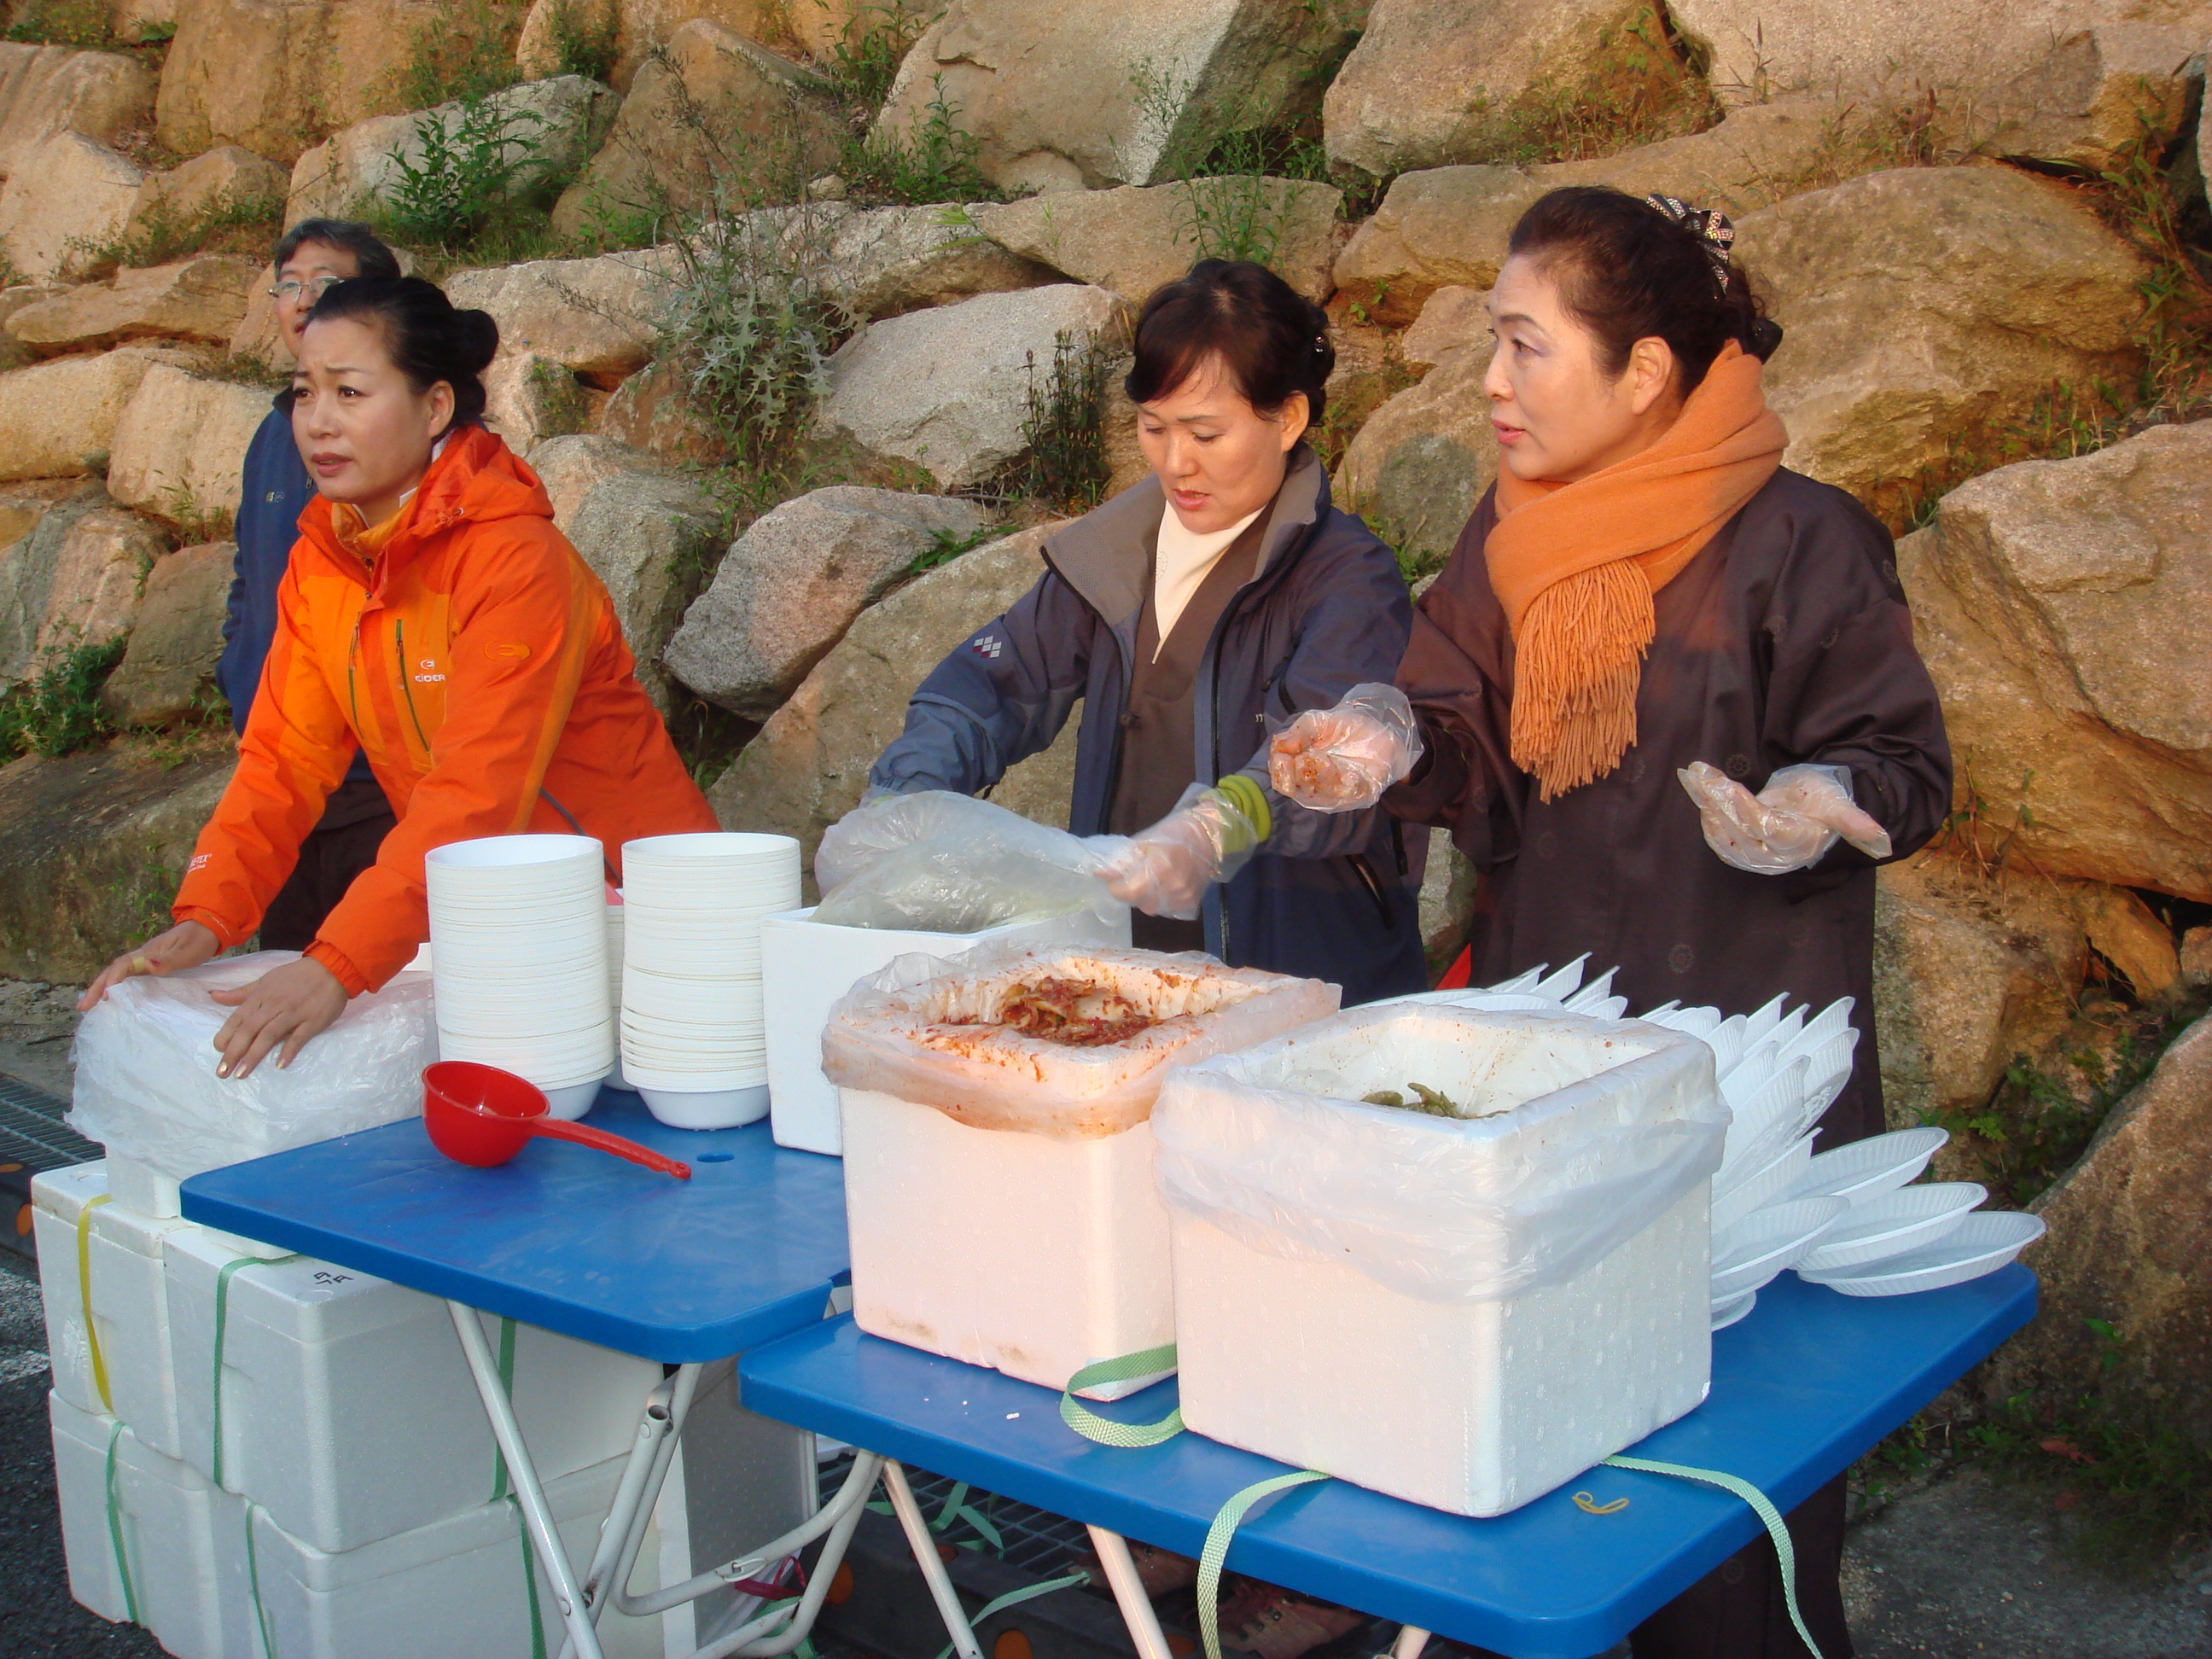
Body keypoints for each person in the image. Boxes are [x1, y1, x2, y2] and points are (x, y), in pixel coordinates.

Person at [1273, 187, 1953, 1659]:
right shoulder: (1510, 537)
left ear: (1643, 373)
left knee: (1723, 1536)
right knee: (1523, 1492)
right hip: (1546, 1082)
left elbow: (1905, 760)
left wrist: (1818, 796)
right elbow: (1451, 714)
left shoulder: (1803, 542)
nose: (1493, 384)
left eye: (1525, 347)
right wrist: (1383, 739)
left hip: (1747, 1091)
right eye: (1490, 346)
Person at [81, 276, 718, 1078]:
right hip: (487, 912)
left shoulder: (515, 561)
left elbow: (477, 792)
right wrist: (208, 916)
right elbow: (283, 762)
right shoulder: (325, 561)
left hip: (633, 917)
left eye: (350, 392)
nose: (317, 421)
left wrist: (339, 961)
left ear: (436, 409)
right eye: (303, 392)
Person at [843, 259, 1429, 1005]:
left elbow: (1327, 761)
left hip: (1299, 985)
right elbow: (991, 684)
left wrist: (1215, 828)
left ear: (1288, 417)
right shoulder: (1116, 557)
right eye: (1154, 428)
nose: (1176, 463)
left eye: (1206, 434)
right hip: (1127, 978)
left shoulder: (1350, 580)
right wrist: (906, 798)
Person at [219, 219, 405, 951]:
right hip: (284, 771)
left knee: (381, 985)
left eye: (324, 284)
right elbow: (249, 573)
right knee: (281, 977)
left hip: (380, 783)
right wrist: (238, 670)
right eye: (288, 286)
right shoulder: (275, 434)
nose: (302, 301)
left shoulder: (396, 440)